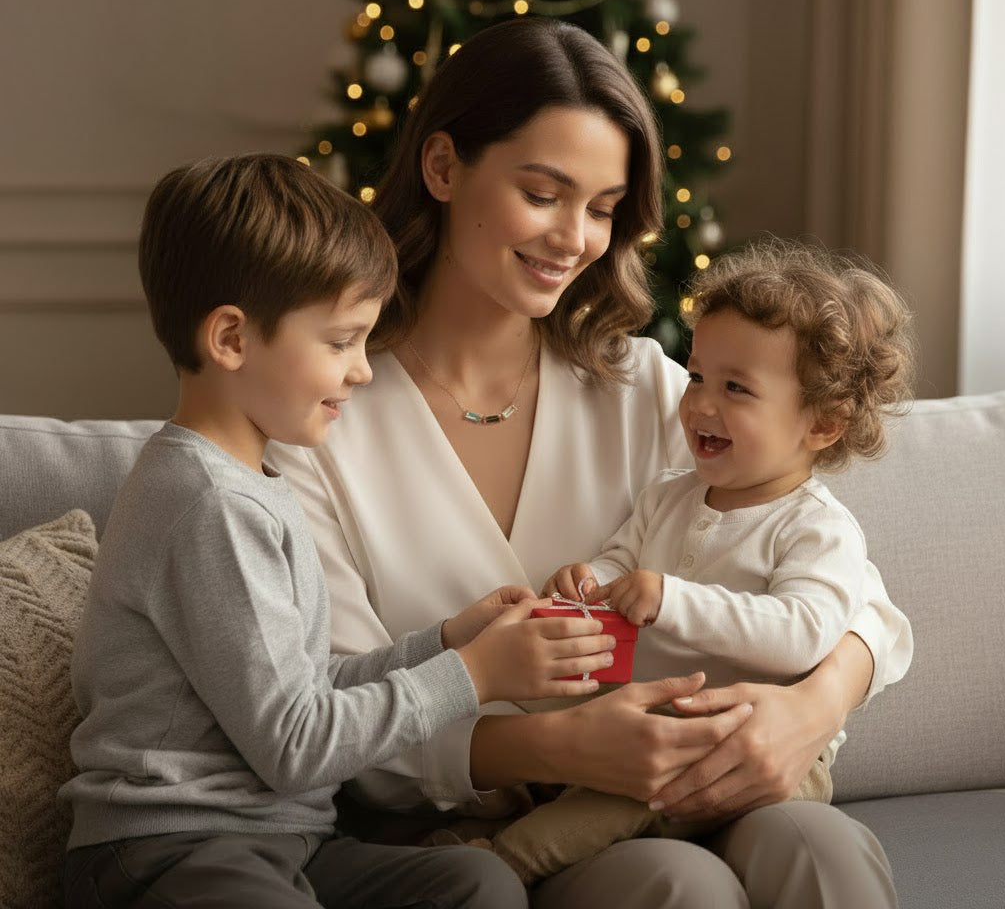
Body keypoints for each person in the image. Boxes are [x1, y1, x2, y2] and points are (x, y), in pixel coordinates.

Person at [268, 19, 912, 908]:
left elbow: (855, 596)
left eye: (604, 208)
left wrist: (811, 709)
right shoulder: (321, 417)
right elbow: (329, 714)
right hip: (467, 838)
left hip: (691, 782)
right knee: (673, 884)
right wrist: (559, 749)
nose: (575, 238)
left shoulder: (653, 387)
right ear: (445, 167)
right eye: (544, 193)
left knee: (815, 843)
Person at [60, 153, 619, 909]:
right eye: (340, 342)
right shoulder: (204, 503)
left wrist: (448, 641)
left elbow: (305, 689)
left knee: (475, 882)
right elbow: (296, 745)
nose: (362, 371)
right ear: (231, 339)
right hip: (170, 849)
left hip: (286, 842)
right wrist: (477, 676)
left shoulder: (256, 483)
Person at [477, 239, 916, 883]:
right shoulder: (670, 493)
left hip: (766, 751)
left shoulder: (818, 529)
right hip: (657, 735)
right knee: (599, 809)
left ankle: (496, 863)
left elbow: (803, 632)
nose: (701, 402)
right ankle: (481, 867)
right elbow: (621, 558)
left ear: (821, 424)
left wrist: (672, 599)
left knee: (616, 814)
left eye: (736, 388)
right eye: (699, 375)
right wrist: (590, 578)